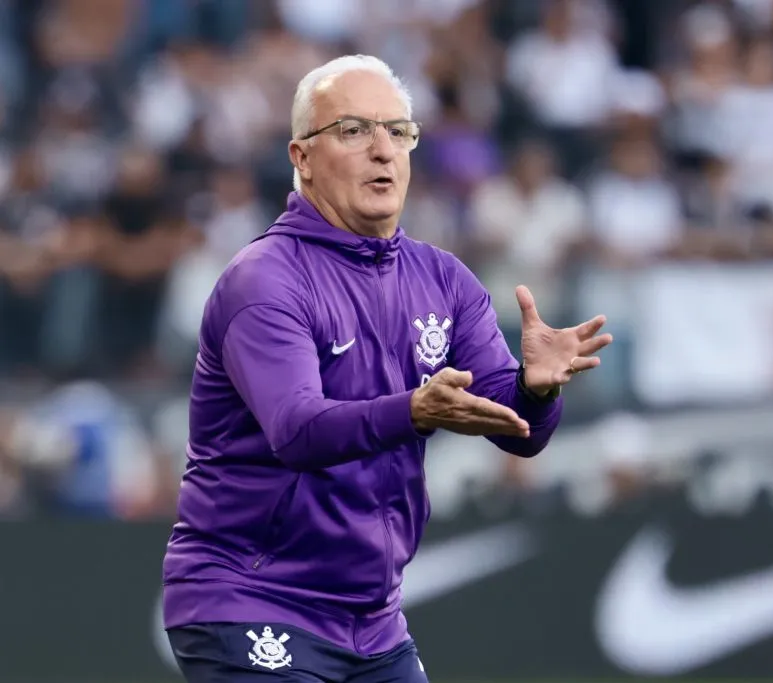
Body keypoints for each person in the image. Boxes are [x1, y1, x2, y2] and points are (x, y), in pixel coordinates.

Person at [160, 54, 612, 682]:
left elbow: (522, 431)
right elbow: (296, 430)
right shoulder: (264, 281)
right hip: (251, 597)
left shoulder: (442, 278)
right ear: (302, 157)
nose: (383, 150)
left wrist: (536, 392)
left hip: (373, 618)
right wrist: (413, 410)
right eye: (353, 130)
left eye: (398, 131)